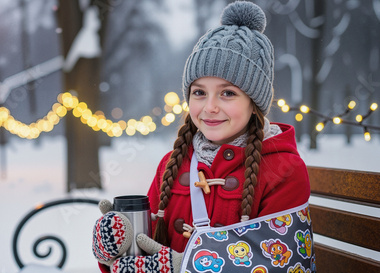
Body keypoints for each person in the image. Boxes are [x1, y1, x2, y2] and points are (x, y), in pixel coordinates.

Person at [92, 1, 311, 272]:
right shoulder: (171, 165)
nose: (210, 107)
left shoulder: (283, 170)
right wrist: (114, 248)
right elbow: (142, 253)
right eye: (199, 92)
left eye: (227, 93)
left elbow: (284, 263)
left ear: (254, 102)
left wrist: (184, 266)